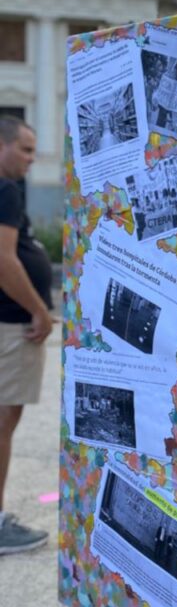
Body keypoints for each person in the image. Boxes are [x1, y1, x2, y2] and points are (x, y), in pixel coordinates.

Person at [0, 115, 54, 554]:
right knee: (3, 422)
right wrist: (40, 310)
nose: (32, 159)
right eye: (26, 149)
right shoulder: (5, 190)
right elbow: (4, 261)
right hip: (12, 324)